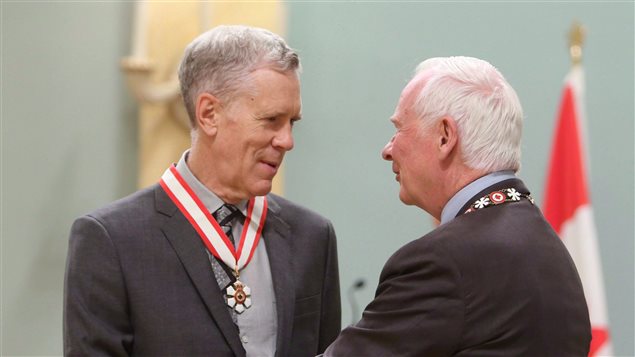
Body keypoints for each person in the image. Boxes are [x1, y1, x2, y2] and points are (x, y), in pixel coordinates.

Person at [64, 25, 341, 357]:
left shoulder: (312, 237)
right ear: (209, 114)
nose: (287, 141)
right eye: (271, 120)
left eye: (292, 122)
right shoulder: (110, 240)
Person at [323, 56, 591, 356]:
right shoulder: (551, 250)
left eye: (399, 129)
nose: (388, 150)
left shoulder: (443, 263)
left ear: (445, 137)